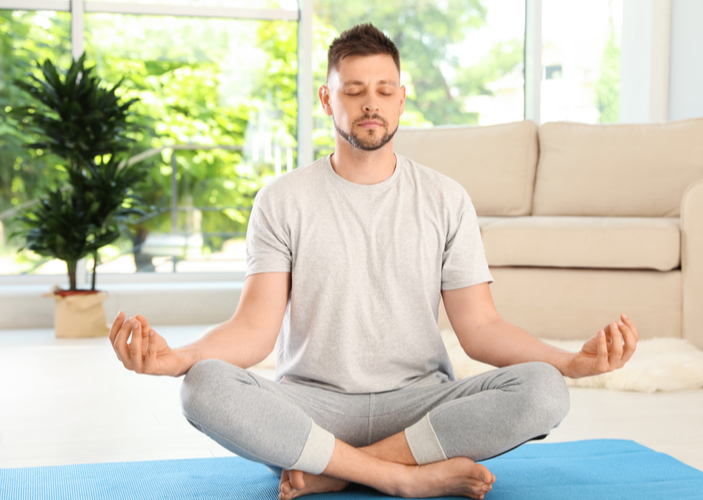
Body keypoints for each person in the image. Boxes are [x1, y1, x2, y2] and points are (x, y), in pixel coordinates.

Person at [109, 23, 638, 500]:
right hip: (312, 406)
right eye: (354, 91)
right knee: (202, 388)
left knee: (544, 390)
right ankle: (402, 477)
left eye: (384, 91)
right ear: (327, 99)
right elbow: (253, 329)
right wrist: (174, 359)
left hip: (419, 405)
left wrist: (571, 363)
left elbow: (480, 327)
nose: (371, 104)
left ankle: (338, 472)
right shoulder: (281, 200)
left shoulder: (446, 198)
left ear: (402, 100)